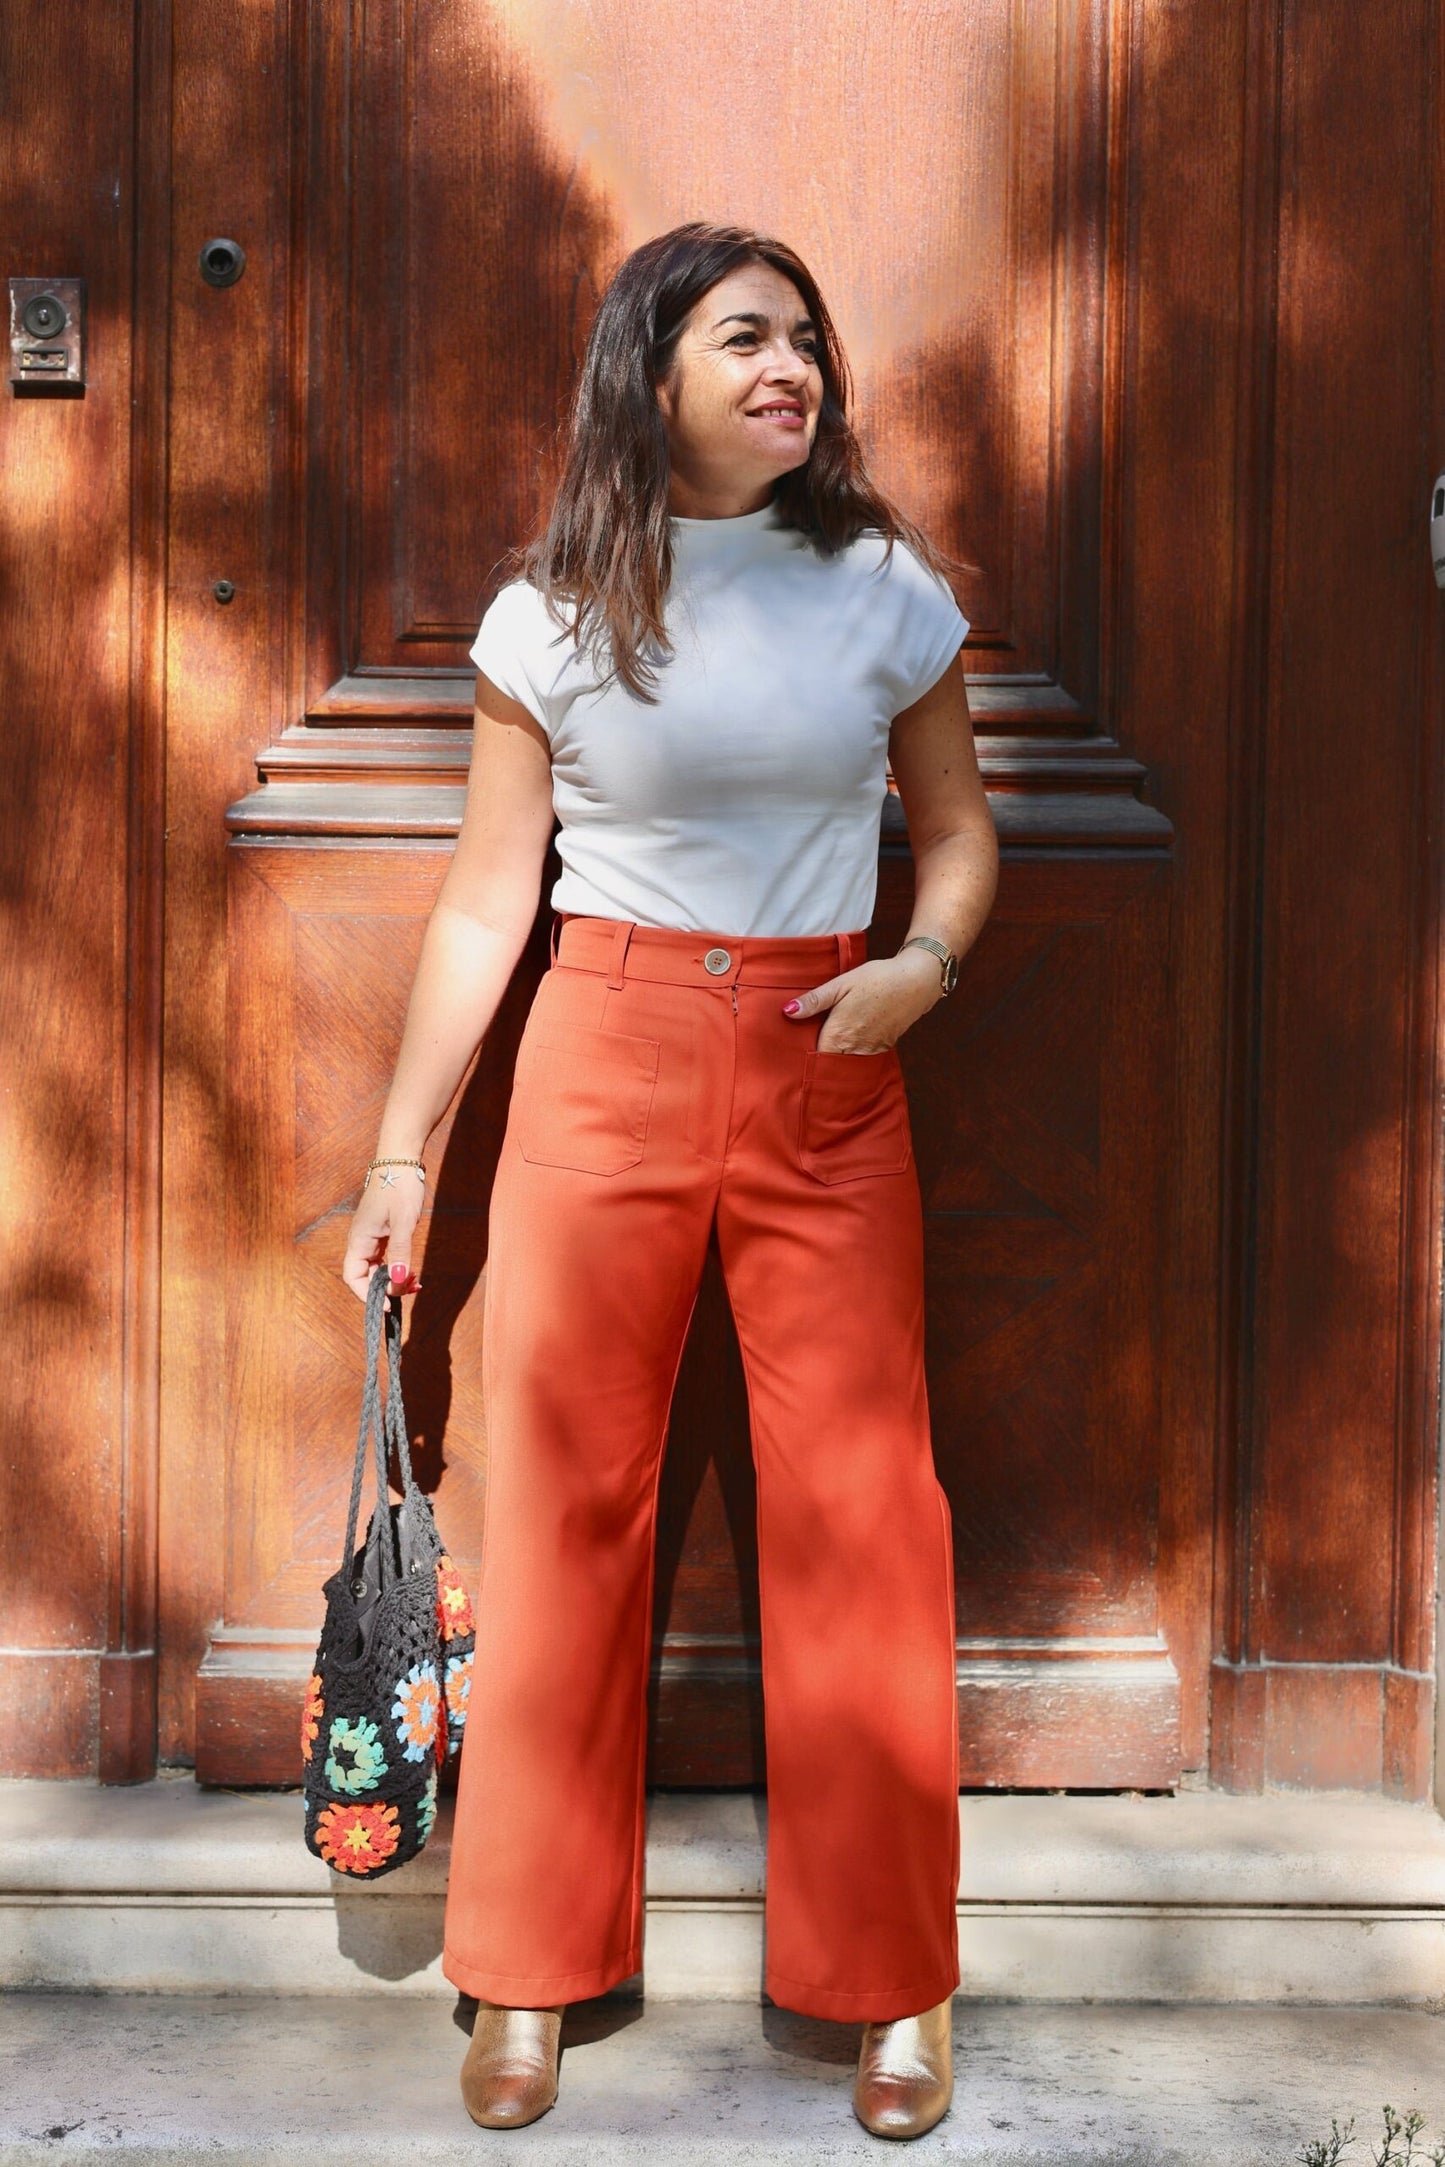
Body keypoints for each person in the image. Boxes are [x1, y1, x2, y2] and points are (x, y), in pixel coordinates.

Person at [342, 220, 999, 2140]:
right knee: (564, 1513)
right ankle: (524, 1973)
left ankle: (893, 1986)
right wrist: (401, 1151)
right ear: (648, 375)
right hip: (605, 1050)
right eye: (744, 339)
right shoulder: (549, 612)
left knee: (863, 1513)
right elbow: (488, 900)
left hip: (824, 1061)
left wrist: (924, 964)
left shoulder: (878, 585)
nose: (792, 369)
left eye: (805, 339)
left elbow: (961, 834)